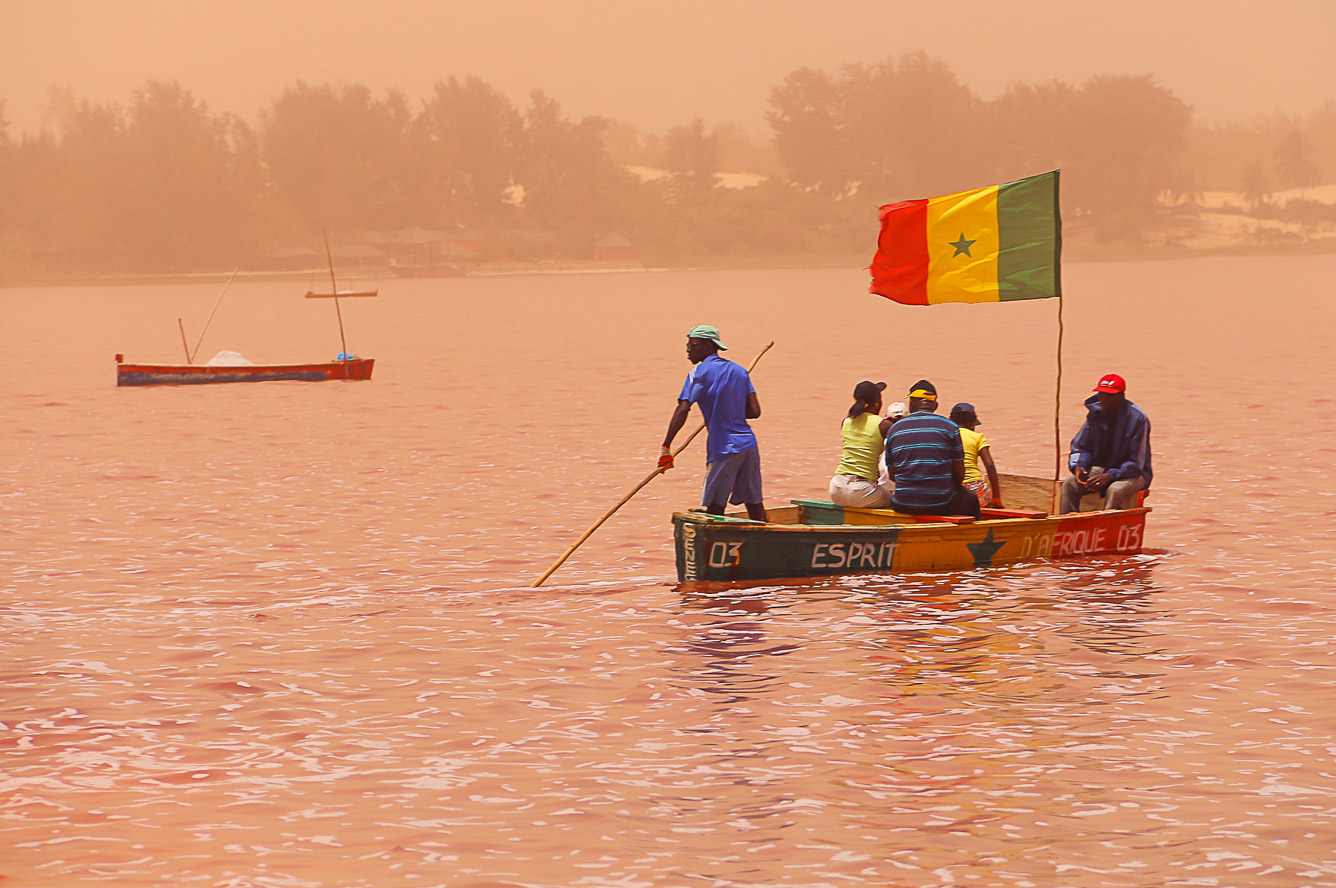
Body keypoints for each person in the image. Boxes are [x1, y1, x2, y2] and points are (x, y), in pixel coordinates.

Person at [660, 325, 767, 521]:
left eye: (693, 345)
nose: (688, 350)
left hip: (725, 447)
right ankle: (768, 542)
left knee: (715, 509)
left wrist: (666, 447)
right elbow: (754, 412)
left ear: (708, 345)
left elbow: (683, 409)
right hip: (748, 446)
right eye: (688, 345)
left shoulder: (698, 373)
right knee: (754, 503)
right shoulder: (740, 372)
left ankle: (710, 549)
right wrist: (729, 406)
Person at [883, 380, 981, 518]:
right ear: (935, 405)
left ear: (911, 402)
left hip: (903, 503)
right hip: (940, 503)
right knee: (971, 499)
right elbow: (959, 474)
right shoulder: (950, 427)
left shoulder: (894, 430)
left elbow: (893, 475)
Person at [1059, 373, 1152, 513]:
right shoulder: (1095, 415)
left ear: (1121, 396)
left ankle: (1108, 528)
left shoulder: (1138, 419)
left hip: (1134, 474)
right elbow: (1080, 447)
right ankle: (1066, 524)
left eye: (1109, 396)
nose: (1103, 400)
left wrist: (1109, 476)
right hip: (1102, 469)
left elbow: (1136, 463)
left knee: (1115, 489)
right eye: (1101, 394)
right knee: (1069, 483)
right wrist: (1079, 466)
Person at [829, 380, 895, 508]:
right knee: (895, 500)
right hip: (864, 490)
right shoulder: (883, 425)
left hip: (836, 488)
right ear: (877, 402)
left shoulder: (846, 422)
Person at [950, 402, 1004, 509]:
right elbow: (990, 466)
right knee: (986, 497)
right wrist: (996, 497)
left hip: (951, 487)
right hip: (974, 488)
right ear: (972, 423)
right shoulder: (977, 437)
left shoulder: (946, 436)